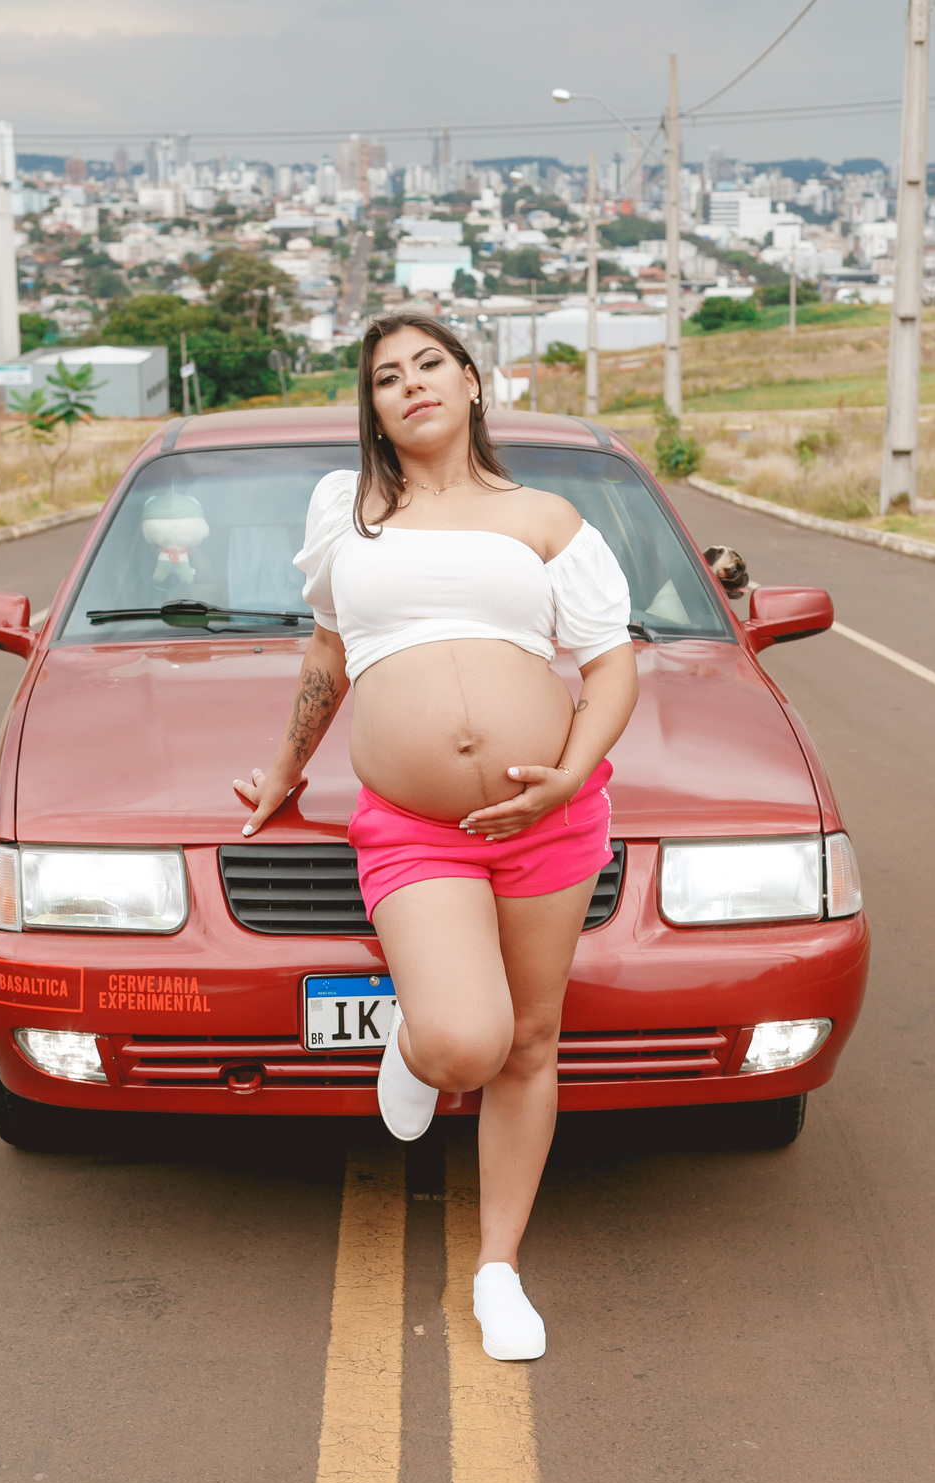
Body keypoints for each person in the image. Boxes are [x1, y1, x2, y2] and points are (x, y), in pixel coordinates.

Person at [234, 312, 638, 1361]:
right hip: (418, 827)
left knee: (531, 1042)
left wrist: (568, 777)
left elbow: (610, 664)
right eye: (383, 378)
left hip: (548, 818)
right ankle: (416, 1053)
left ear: (472, 381)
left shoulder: (545, 515)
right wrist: (286, 768)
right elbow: (328, 649)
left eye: (428, 364)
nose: (408, 385)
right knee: (468, 1039)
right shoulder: (350, 511)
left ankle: (498, 1267)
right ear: (370, 408)